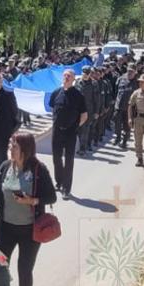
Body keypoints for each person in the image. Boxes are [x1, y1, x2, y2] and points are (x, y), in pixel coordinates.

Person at [0, 132, 56, 286]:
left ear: (25, 149)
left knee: (24, 271)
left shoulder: (38, 169)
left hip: (30, 231)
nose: (11, 149)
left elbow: (51, 197)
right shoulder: (5, 167)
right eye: (10, 145)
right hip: (5, 229)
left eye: (14, 146)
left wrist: (31, 201)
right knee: (0, 271)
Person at [48, 70, 87, 199]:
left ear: (73, 79)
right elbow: (53, 109)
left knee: (69, 160)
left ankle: (66, 188)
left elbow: (84, 115)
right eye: (64, 75)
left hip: (70, 132)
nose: (66, 77)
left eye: (69, 76)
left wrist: (75, 126)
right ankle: (59, 182)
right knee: (56, 158)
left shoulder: (78, 95)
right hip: (57, 131)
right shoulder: (56, 93)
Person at [75, 66, 99, 155]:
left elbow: (97, 99)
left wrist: (96, 112)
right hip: (77, 111)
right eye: (83, 73)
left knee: (85, 130)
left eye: (87, 74)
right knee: (78, 130)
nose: (85, 75)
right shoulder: (77, 82)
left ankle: (82, 149)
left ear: (90, 74)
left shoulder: (94, 84)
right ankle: (82, 145)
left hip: (88, 111)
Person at [112, 65, 138, 149]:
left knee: (127, 125)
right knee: (116, 122)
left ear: (135, 72)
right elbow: (115, 91)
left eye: (131, 71)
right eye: (128, 71)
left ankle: (124, 141)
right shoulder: (120, 79)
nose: (129, 73)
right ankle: (118, 137)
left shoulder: (137, 82)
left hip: (129, 108)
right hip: (118, 106)